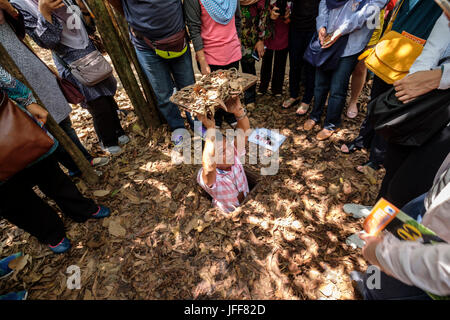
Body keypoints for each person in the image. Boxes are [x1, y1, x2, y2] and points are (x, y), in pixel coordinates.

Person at [0, 67, 111, 254]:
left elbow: (4, 78)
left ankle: (80, 208)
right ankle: (50, 232)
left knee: (48, 172)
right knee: (10, 197)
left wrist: (28, 101)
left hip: (9, 124)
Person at [0, 2, 109, 176]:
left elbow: (20, 34)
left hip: (32, 68)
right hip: (13, 84)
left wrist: (8, 9)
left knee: (63, 120)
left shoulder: (9, 8)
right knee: (45, 128)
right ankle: (76, 168)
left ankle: (84, 158)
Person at [11, 0, 129, 155]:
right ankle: (107, 140)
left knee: (107, 94)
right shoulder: (20, 4)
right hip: (70, 60)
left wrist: (81, 7)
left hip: (88, 49)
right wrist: (44, 11)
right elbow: (48, 41)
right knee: (96, 102)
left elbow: (87, 25)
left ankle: (117, 130)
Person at [340, 0, 443, 171]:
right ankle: (363, 139)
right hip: (391, 48)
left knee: (392, 106)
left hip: (416, 55)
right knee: (376, 98)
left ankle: (378, 156)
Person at [375, 11, 450, 209]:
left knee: (413, 185)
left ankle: (385, 235)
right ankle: (375, 218)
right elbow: (433, 47)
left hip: (445, 119)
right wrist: (416, 82)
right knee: (394, 164)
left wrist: (440, 77)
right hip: (423, 102)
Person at [352, 153, 450, 300]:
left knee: (392, 286)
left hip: (435, 245)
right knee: (386, 245)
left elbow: (443, 267)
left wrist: (381, 253)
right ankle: (369, 285)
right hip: (434, 200)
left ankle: (372, 292)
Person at [108, 0, 196, 148]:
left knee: (189, 88)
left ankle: (199, 125)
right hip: (146, 45)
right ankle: (178, 128)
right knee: (163, 94)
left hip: (177, 38)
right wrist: (134, 20)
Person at [303, 0, 389, 141]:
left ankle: (331, 124)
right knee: (320, 83)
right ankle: (315, 115)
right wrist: (321, 26)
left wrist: (341, 30)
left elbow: (366, 13)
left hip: (351, 43)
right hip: (328, 38)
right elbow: (324, 3)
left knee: (338, 87)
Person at [185, 0, 242, 129]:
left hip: (232, 51)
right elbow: (194, 29)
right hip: (210, 56)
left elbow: (237, 20)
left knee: (229, 89)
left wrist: (237, 43)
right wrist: (203, 61)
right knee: (213, 94)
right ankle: (215, 119)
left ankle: (230, 115)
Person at [197, 96, 251, 213]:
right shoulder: (210, 177)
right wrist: (210, 129)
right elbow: (209, 169)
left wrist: (238, 111)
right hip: (228, 215)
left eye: (228, 146)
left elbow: (245, 131)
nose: (230, 151)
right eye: (222, 151)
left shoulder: (234, 155)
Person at [282, 0, 320, 115]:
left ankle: (307, 99)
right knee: (294, 63)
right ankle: (294, 95)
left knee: (309, 65)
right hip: (295, 26)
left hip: (313, 28)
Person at [239, 0, 271, 109]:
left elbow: (264, 15)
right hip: (230, 34)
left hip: (250, 36)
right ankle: (229, 100)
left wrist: (260, 39)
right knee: (229, 68)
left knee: (248, 67)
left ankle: (249, 98)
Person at [258, 0, 290, 98]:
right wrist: (269, 15)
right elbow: (260, 11)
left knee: (280, 61)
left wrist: (287, 16)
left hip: (284, 30)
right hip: (268, 32)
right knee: (266, 61)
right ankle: (263, 86)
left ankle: (277, 88)